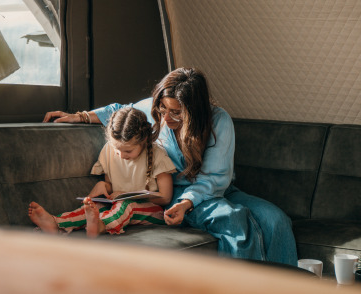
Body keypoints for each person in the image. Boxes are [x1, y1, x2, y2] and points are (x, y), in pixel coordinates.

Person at [43, 67, 298, 265]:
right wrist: (81, 116)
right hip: (172, 195)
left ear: (195, 111)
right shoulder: (156, 113)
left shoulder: (219, 121)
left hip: (212, 190)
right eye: (163, 109)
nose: (165, 118)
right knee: (231, 220)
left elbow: (214, 180)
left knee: (276, 219)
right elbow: (121, 110)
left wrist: (189, 202)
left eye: (176, 113)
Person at [29, 107, 177, 238]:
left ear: (144, 140)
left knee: (126, 205)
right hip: (118, 205)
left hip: (152, 211)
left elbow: (165, 198)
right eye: (117, 149)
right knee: (97, 206)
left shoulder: (157, 155)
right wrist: (104, 186)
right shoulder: (108, 150)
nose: (121, 155)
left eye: (128, 151)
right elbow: (111, 185)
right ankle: (57, 223)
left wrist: (124, 195)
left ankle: (101, 225)